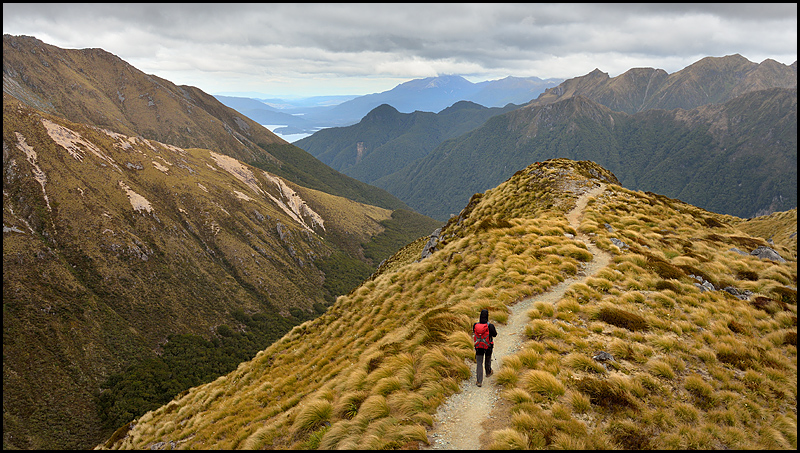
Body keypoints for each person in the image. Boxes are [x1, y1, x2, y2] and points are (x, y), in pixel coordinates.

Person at [473, 308, 497, 387]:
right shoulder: (490, 326)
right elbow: (495, 334)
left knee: (479, 363)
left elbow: (475, 332)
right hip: (488, 346)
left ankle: (479, 381)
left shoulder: (475, 325)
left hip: (479, 346)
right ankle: (488, 372)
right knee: (487, 359)